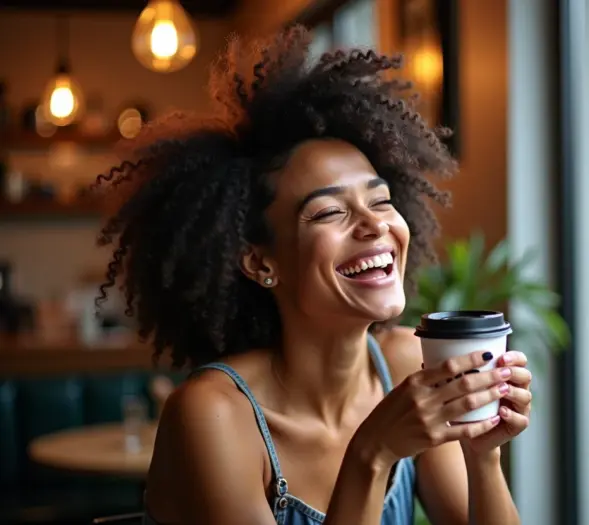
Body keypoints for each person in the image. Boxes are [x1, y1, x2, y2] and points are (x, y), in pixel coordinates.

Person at [94, 26, 533, 525]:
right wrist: (373, 452)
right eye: (329, 213)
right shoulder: (212, 415)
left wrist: (483, 452)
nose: (374, 226)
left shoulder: (407, 362)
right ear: (261, 263)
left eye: (381, 200)